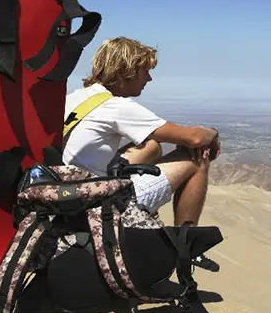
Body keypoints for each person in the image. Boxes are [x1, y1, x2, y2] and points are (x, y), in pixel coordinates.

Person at [62, 36, 221, 270]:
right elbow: (195, 138)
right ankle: (186, 247)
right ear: (127, 71)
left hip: (68, 190)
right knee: (198, 157)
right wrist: (213, 134)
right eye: (145, 71)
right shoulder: (116, 106)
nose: (149, 78)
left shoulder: (77, 97)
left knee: (152, 146)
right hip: (96, 204)